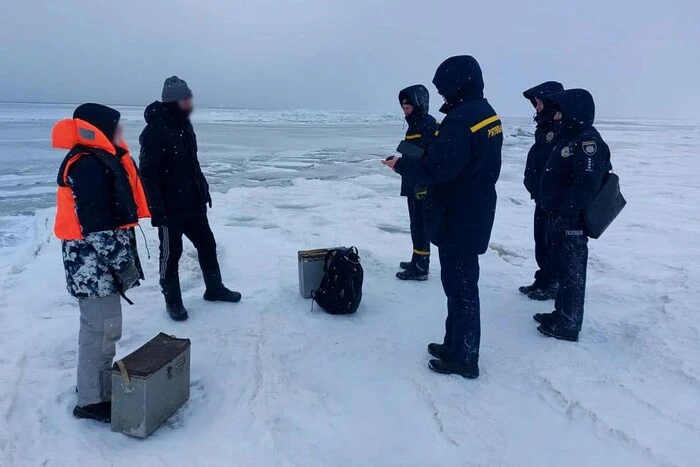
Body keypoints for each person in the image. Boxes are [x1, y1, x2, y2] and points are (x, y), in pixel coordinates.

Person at [383, 56, 502, 378]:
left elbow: (439, 167)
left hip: (459, 213)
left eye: (444, 88)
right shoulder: (484, 114)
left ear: (457, 83)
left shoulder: (462, 119)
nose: (442, 96)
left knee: (461, 287)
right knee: (458, 285)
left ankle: (464, 357)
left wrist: (402, 166)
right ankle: (454, 344)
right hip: (471, 207)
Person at [52, 103, 151, 422]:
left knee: (101, 329)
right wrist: (122, 264)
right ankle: (92, 400)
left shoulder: (96, 160)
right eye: (116, 126)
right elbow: (97, 227)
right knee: (102, 330)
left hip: (96, 266)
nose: (121, 131)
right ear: (99, 128)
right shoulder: (89, 166)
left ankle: (93, 387)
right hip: (93, 267)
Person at [139, 76, 241, 322]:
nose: (190, 101)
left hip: (194, 204)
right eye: (186, 98)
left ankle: (214, 289)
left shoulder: (185, 127)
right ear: (174, 100)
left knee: (208, 245)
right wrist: (157, 211)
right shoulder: (154, 131)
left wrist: (203, 190)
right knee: (170, 255)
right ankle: (173, 302)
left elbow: (192, 165)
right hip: (170, 209)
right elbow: (148, 176)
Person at [534, 89, 611, 342]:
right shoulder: (572, 137)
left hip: (572, 221)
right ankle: (561, 313)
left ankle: (568, 323)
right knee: (563, 268)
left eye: (560, 112)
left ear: (573, 113)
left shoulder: (588, 142)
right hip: (560, 217)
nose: (556, 117)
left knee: (572, 272)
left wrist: (567, 214)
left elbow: (586, 183)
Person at [519, 81, 564, 301]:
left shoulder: (560, 127)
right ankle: (543, 278)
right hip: (541, 195)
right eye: (535, 103)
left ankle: (552, 282)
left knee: (550, 240)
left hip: (553, 198)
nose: (535, 107)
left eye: (538, 102)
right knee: (541, 239)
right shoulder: (544, 127)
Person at [396, 84, 438, 281]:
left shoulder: (429, 124)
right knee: (415, 224)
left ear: (419, 106)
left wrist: (402, 158)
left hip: (422, 184)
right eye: (403, 107)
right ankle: (416, 258)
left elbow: (427, 154)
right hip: (412, 180)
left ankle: (421, 267)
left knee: (421, 225)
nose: (406, 111)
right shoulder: (414, 125)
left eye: (409, 107)